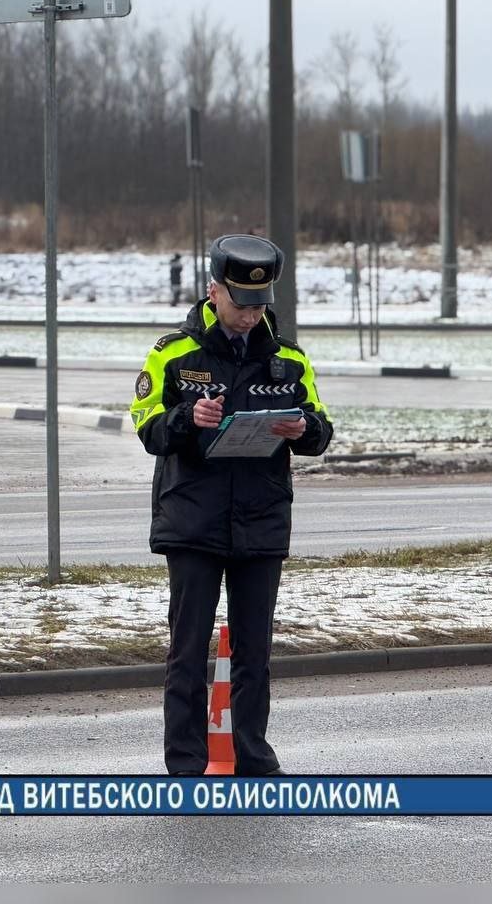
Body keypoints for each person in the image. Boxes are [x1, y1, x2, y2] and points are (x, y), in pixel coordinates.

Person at [129, 234, 333, 776]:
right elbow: (147, 426)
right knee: (189, 650)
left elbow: (320, 429)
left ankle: (254, 757)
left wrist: (302, 427)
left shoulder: (288, 359)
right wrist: (184, 420)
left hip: (261, 520)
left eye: (259, 305)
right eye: (241, 303)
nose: (249, 315)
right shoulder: (173, 353)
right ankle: (186, 762)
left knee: (254, 652)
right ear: (214, 291)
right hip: (193, 519)